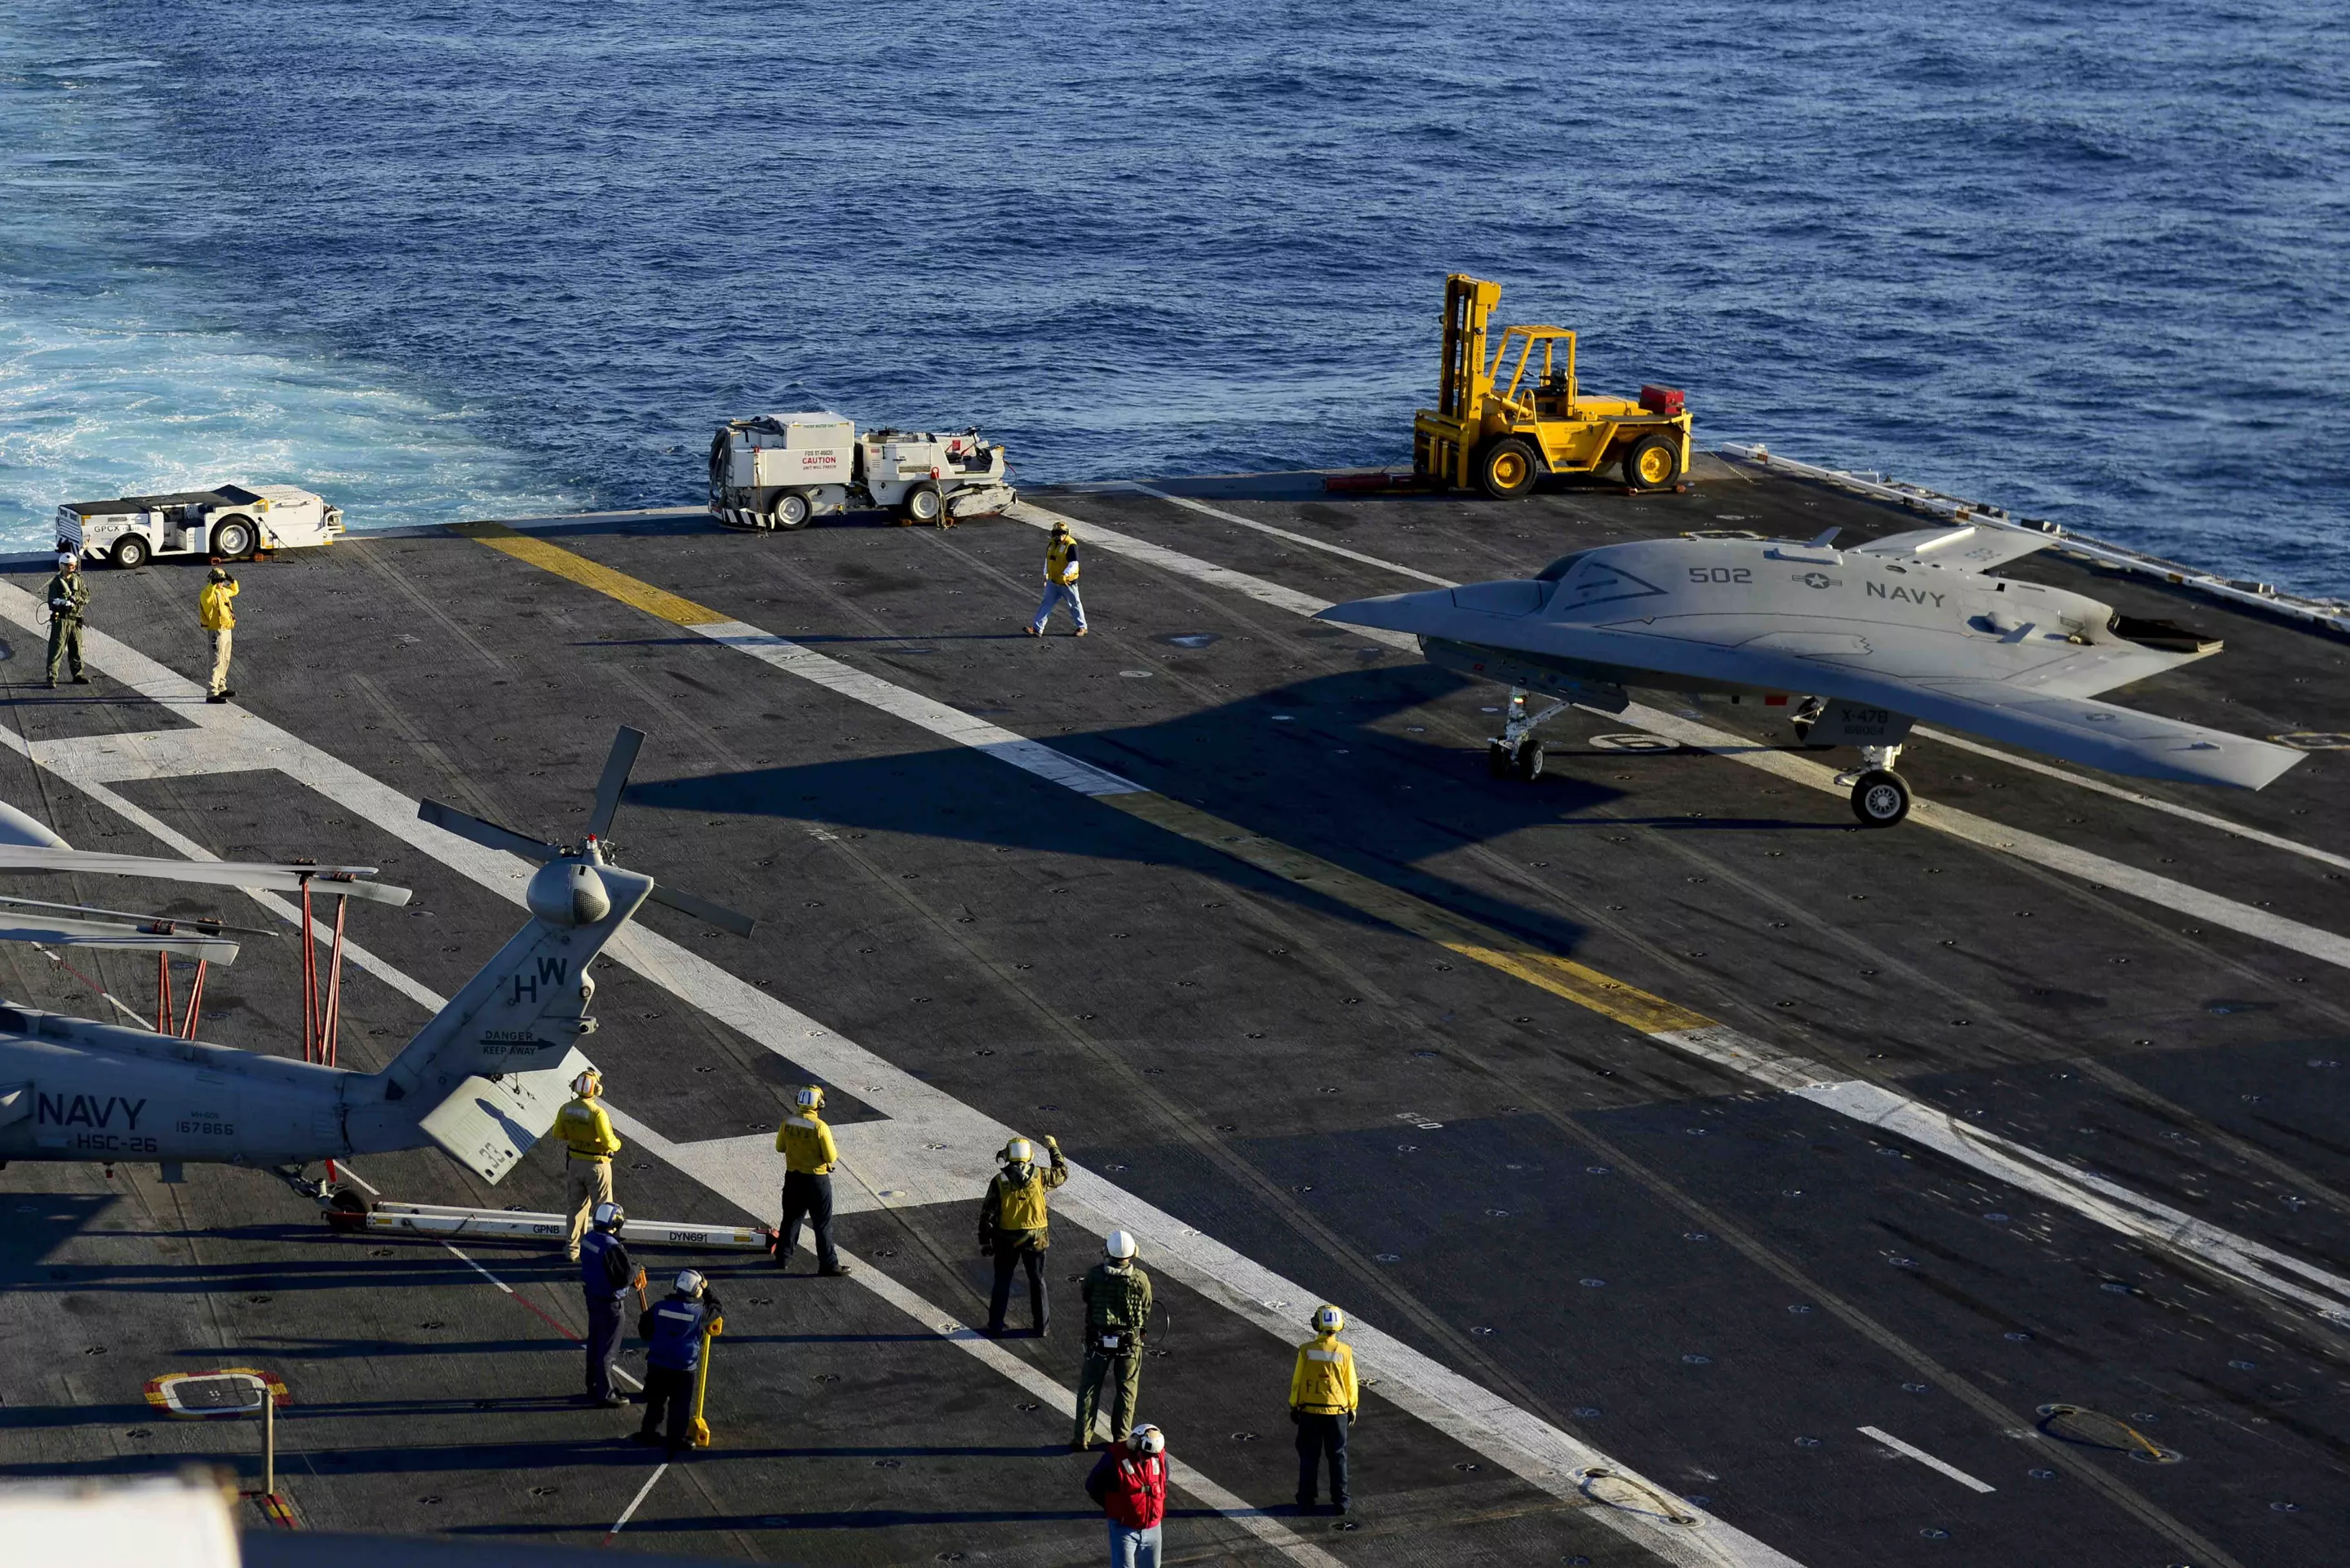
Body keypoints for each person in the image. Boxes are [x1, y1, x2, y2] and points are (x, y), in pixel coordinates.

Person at [978, 1133, 1067, 1336]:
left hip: (1006, 1239)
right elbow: (1062, 1172)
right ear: (1029, 1156)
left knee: (1002, 1281)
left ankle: (996, 1325)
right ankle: (1042, 1327)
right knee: (1037, 1281)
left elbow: (987, 1215)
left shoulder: (999, 1181)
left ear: (1008, 1155)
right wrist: (1053, 1147)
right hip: (1036, 1237)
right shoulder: (1040, 1176)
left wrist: (985, 1242)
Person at [1071, 1230, 1152, 1451]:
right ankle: (1121, 1438)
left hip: (1098, 1340)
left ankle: (1082, 1438)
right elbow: (1146, 1307)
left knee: (1089, 1387)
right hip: (1129, 1344)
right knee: (1126, 1391)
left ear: (1108, 1251)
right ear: (1133, 1253)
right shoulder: (1140, 1279)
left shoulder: (1095, 1275)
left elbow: (1086, 1296)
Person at [636, 1269, 723, 1455]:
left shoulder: (659, 1307)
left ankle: (649, 1432)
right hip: (683, 1366)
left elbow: (645, 1329)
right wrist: (707, 1290)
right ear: (696, 1291)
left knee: (655, 1401)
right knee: (679, 1405)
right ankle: (676, 1439)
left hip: (658, 1362)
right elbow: (716, 1308)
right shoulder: (698, 1313)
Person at [1290, 1303, 1359, 1515]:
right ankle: (1341, 1501)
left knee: (1309, 1456)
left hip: (1310, 1412)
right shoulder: (1345, 1352)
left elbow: (1297, 1382)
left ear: (1316, 1324)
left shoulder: (1306, 1350)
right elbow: (1351, 1385)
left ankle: (1305, 1500)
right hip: (1337, 1411)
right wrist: (1352, 1407)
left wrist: (1294, 1405)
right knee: (1338, 1456)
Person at [775, 1085, 849, 1277]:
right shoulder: (820, 1127)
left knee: (791, 1218)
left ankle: (782, 1257)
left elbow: (780, 1147)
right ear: (820, 1103)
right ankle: (828, 1264)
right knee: (822, 1224)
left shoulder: (788, 1122)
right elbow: (831, 1156)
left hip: (793, 1177)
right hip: (817, 1180)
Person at [579, 1201, 645, 1407]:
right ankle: (605, 1394)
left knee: (595, 1343)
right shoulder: (611, 1247)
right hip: (610, 1303)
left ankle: (594, 1385)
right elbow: (623, 1278)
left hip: (593, 1297)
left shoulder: (589, 1239)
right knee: (608, 1349)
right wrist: (637, 1268)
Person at [555, 1069, 623, 1262]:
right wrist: (618, 1144)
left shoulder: (565, 1108)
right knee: (604, 1211)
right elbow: (609, 1142)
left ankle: (572, 1250)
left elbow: (558, 1134)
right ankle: (602, 1253)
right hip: (598, 1165)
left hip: (575, 1163)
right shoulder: (598, 1113)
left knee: (576, 1207)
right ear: (597, 1090)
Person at [1084, 1423, 1168, 1568]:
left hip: (1153, 1526)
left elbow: (1164, 1480)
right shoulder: (1113, 1459)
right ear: (1135, 1443)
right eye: (1145, 1454)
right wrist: (1116, 1507)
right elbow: (1093, 1485)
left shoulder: (1159, 1456)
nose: (1148, 1458)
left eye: (1152, 1455)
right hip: (1124, 1528)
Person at [1026, 520, 1088, 637]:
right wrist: (1046, 574)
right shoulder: (1052, 544)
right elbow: (1048, 560)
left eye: (1063, 532)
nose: (1060, 535)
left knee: (1074, 604)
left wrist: (1065, 574)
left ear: (1067, 532)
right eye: (1057, 533)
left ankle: (1082, 627)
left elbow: (1074, 563)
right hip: (1053, 581)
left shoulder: (1071, 545)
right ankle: (1037, 629)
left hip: (1067, 582)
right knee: (1046, 603)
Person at [44, 553, 89, 689]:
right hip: (61, 620)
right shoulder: (56, 583)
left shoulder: (78, 581)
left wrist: (77, 600)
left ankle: (78, 674)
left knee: (76, 647)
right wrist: (63, 603)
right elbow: (51, 603)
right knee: (57, 648)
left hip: (75, 620)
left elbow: (86, 597)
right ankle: (52, 676)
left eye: (74, 565)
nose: (72, 568)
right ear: (62, 566)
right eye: (70, 565)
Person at [199, 561, 239, 702]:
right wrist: (213, 584)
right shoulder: (207, 593)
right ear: (213, 581)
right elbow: (208, 597)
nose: (222, 583)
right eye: (220, 580)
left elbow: (234, 590)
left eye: (222, 581)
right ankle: (211, 692)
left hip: (227, 629)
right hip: (217, 631)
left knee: (225, 659)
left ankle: (221, 686)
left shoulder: (222, 591)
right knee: (216, 660)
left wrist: (231, 580)